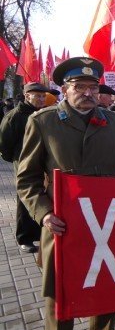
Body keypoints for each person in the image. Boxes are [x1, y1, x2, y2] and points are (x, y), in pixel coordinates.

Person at [16, 57, 115, 330]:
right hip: (62, 226)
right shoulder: (43, 122)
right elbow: (26, 178)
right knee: (59, 294)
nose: (87, 92)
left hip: (107, 223)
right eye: (79, 86)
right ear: (64, 89)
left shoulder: (112, 122)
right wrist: (43, 213)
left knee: (106, 286)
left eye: (92, 87)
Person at [0, 82, 49, 253]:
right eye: (38, 96)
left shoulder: (44, 113)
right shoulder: (14, 116)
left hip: (43, 160)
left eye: (44, 96)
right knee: (24, 197)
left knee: (42, 194)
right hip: (22, 162)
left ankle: (40, 232)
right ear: (27, 96)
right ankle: (25, 238)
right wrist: (16, 159)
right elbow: (4, 144)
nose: (42, 99)